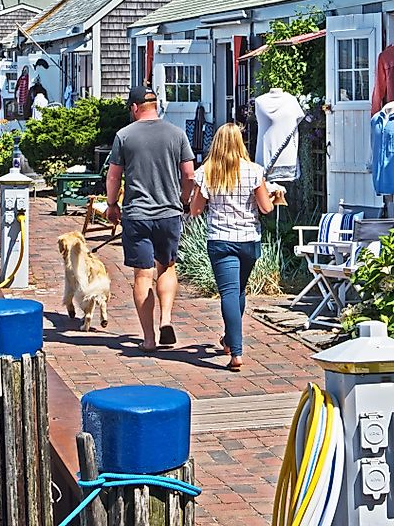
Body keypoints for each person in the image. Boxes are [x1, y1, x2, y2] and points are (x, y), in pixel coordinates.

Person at [105, 85, 195, 352]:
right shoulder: (177, 134)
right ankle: (166, 319)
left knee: (143, 275)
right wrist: (184, 201)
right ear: (156, 105)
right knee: (166, 267)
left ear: (134, 108)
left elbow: (113, 176)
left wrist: (111, 205)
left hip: (137, 214)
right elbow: (189, 175)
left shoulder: (124, 136)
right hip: (168, 213)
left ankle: (148, 338)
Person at [189, 123, 278, 371]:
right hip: (248, 238)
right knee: (238, 292)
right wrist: (272, 196)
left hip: (220, 238)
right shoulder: (253, 171)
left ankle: (235, 351)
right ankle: (230, 341)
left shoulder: (207, 172)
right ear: (240, 142)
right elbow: (266, 208)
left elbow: (195, 210)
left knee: (229, 292)